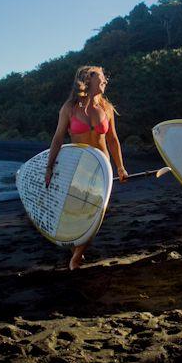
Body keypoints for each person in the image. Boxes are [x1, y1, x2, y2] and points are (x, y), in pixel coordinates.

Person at [45, 65, 128, 269]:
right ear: (88, 79)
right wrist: (49, 167)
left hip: (101, 168)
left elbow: (113, 140)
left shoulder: (106, 108)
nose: (105, 80)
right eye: (101, 77)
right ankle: (77, 251)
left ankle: (76, 256)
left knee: (97, 214)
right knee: (79, 211)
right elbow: (57, 139)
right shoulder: (69, 108)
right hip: (77, 168)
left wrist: (120, 167)